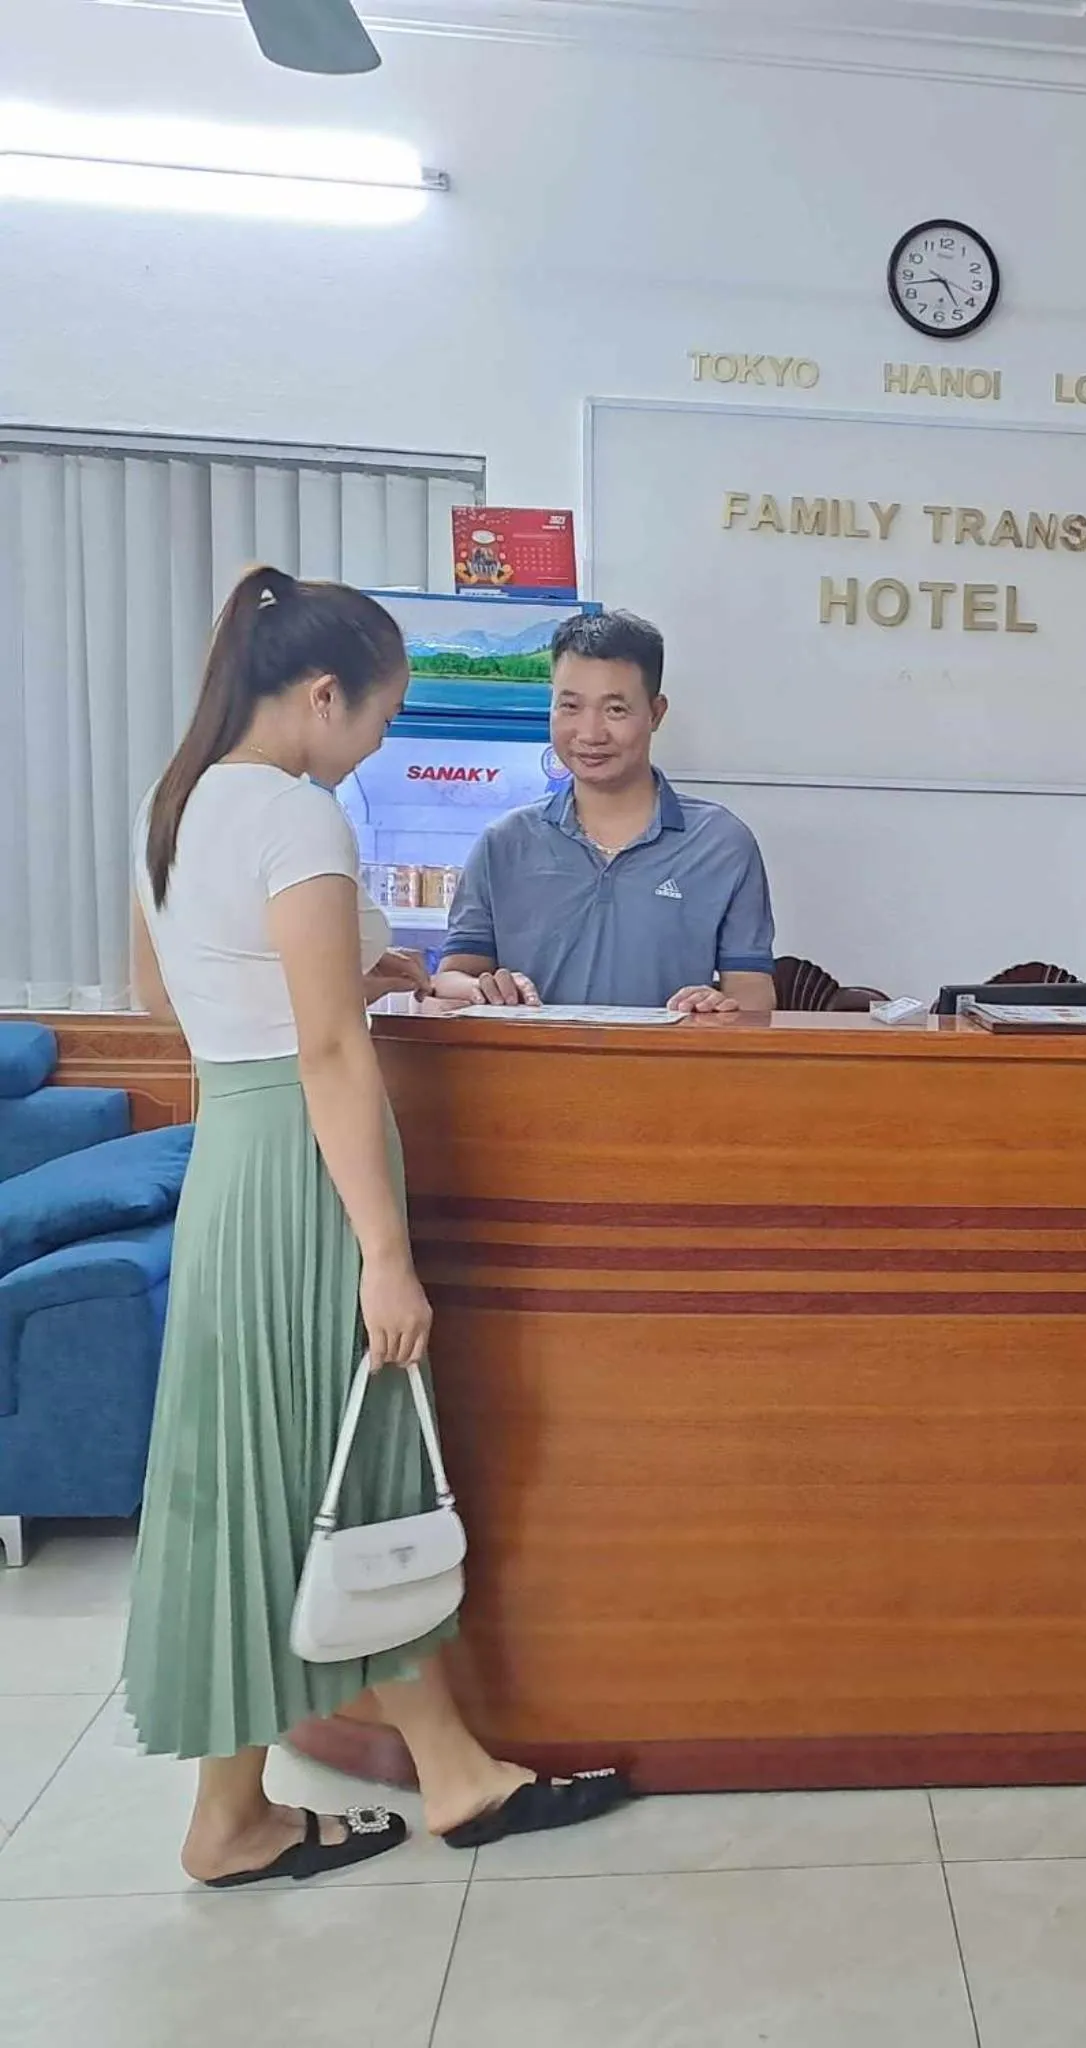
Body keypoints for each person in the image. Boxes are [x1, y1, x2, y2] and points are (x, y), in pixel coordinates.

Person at [127, 566, 628, 1886]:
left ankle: (258, 1811)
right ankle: (441, 1782)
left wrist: (355, 965)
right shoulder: (298, 815)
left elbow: (184, 992)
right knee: (354, 1464)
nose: (379, 745)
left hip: (234, 1158)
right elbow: (336, 1052)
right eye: (382, 717)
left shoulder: (173, 803)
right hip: (309, 1170)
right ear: (324, 694)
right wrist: (389, 1257)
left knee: (269, 1475)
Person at [433, 609, 776, 1015]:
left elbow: (754, 993)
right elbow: (451, 977)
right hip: (527, 1074)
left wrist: (721, 1004)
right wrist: (482, 989)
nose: (590, 734)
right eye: (570, 707)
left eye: (615, 710)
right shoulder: (504, 842)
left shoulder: (721, 843)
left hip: (670, 1075)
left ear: (656, 713)